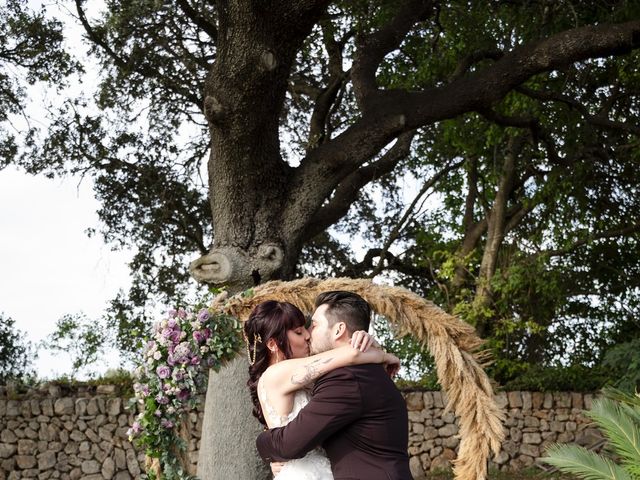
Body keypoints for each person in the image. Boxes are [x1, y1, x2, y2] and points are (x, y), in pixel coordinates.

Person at [256, 291, 413, 480]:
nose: (308, 334)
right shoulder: (282, 374)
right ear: (272, 343)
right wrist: (380, 354)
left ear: (338, 330)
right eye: (299, 331)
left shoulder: (346, 377)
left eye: (313, 326)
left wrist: (263, 443)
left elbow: (289, 444)